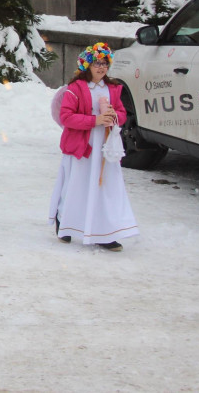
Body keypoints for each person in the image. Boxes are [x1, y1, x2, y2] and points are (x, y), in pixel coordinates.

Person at [48, 42, 138, 252]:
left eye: (104, 63)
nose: (101, 67)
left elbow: (122, 113)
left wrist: (114, 117)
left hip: (105, 147)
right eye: (97, 63)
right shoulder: (75, 88)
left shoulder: (113, 88)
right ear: (87, 65)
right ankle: (66, 220)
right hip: (83, 146)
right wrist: (95, 120)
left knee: (103, 187)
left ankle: (103, 231)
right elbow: (66, 117)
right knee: (77, 185)